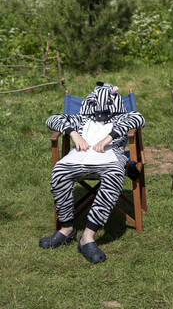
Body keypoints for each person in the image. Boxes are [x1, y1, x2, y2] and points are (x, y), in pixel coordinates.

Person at [39, 82, 145, 263]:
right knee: (59, 171)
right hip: (78, 158)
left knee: (114, 175)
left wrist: (109, 138)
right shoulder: (81, 119)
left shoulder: (120, 118)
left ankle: (87, 237)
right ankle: (66, 229)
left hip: (110, 159)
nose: (102, 113)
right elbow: (52, 120)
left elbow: (138, 118)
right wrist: (73, 133)